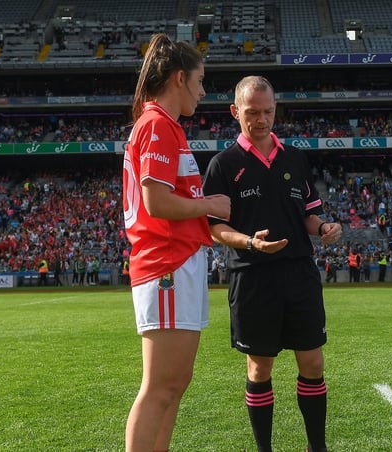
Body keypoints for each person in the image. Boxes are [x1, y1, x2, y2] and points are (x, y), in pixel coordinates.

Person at [202, 75, 342, 452]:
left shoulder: (295, 159)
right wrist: (249, 242)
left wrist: (324, 227)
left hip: (300, 273)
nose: (261, 119)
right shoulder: (223, 164)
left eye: (267, 111)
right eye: (252, 112)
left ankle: (318, 448)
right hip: (252, 277)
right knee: (259, 368)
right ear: (235, 112)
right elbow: (216, 228)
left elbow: (308, 217)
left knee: (312, 363)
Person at [122, 33, 231, 452]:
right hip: (165, 263)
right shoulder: (157, 124)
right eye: (201, 82)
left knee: (174, 386)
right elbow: (157, 201)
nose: (203, 92)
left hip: (177, 262)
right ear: (180, 78)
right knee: (160, 387)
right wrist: (211, 204)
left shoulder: (164, 126)